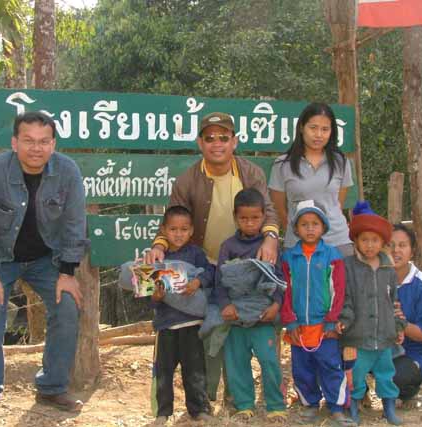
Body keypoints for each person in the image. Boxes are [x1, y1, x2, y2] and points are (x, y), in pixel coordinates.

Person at [145, 112, 280, 401]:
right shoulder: (187, 179)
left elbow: (267, 210)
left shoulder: (251, 173)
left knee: (236, 330)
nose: (216, 144)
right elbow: (172, 220)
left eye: (223, 137)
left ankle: (236, 395)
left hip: (242, 267)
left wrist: (270, 238)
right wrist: (159, 246)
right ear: (200, 143)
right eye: (209, 138)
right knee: (209, 328)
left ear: (235, 141)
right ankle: (204, 396)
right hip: (203, 266)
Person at [0, 112, 89, 419]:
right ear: (14, 143)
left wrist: (67, 273)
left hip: (47, 259)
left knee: (67, 307)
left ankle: (52, 387)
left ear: (53, 144)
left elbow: (75, 225)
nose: (36, 148)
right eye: (29, 141)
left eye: (44, 141)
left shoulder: (67, 172)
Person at [280, 200, 355, 427]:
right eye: (304, 224)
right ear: (296, 229)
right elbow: (285, 291)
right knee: (302, 368)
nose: (310, 228)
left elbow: (338, 291)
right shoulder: (290, 257)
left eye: (315, 224)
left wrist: (332, 321)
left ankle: (336, 407)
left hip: (324, 326)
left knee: (331, 366)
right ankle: (310, 404)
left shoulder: (331, 255)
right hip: (299, 327)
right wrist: (290, 321)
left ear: (323, 227)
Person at [215, 188, 286, 423]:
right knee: (236, 363)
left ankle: (276, 405)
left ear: (264, 216)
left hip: (263, 317)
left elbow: (280, 279)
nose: (249, 223)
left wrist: (276, 305)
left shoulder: (270, 247)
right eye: (244, 218)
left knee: (269, 361)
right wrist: (226, 305)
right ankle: (244, 405)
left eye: (255, 217)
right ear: (235, 217)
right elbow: (219, 281)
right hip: (236, 318)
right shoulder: (228, 246)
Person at [338, 201, 404, 426]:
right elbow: (345, 297)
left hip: (384, 335)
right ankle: (354, 409)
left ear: (383, 242)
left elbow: (394, 301)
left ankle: (389, 409)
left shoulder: (388, 269)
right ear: (356, 241)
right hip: (357, 336)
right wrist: (344, 320)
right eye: (364, 239)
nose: (369, 245)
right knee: (355, 375)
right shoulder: (348, 266)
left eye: (374, 240)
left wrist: (398, 326)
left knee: (386, 374)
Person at [150, 206, 214, 425]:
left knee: (195, 370)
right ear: (163, 230)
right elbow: (148, 292)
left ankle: (199, 410)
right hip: (165, 325)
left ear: (191, 230)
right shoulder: (158, 257)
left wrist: (197, 282)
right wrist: (157, 296)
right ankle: (162, 413)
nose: (178, 234)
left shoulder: (195, 253)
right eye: (173, 229)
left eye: (184, 229)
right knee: (163, 371)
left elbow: (210, 272)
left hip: (192, 324)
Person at [269, 102, 353, 256]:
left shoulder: (341, 162)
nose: (319, 134)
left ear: (332, 132)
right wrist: (297, 230)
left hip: (337, 242)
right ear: (302, 128)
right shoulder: (283, 164)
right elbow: (279, 207)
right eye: (313, 128)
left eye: (325, 129)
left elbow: (337, 203)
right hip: (297, 244)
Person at [390, 223, 422, 404]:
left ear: (412, 252)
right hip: (383, 349)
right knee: (345, 358)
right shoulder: (376, 281)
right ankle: (360, 396)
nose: (396, 250)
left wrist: (399, 322)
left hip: (417, 352)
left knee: (398, 377)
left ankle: (408, 393)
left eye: (402, 245)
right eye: (390, 245)